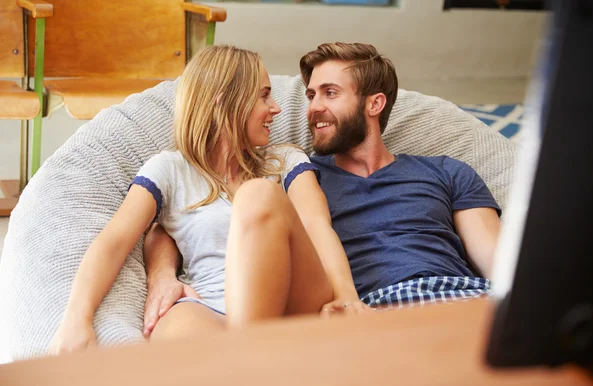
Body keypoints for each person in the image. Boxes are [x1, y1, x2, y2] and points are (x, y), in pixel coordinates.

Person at [143, 42, 502, 336]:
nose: (313, 108)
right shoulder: (294, 178)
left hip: (464, 302)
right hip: (373, 314)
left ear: (374, 104)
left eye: (329, 93)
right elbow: (194, 216)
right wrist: (161, 274)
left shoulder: (446, 171)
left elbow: (499, 263)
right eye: (311, 95)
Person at [50, 45, 368, 355]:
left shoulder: (285, 159)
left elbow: (317, 226)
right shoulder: (168, 169)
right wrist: (77, 319)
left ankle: (248, 357)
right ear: (224, 102)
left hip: (294, 300)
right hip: (210, 303)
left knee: (257, 195)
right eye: (264, 95)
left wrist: (348, 298)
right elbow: (114, 241)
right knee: (170, 332)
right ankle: (249, 365)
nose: (276, 108)